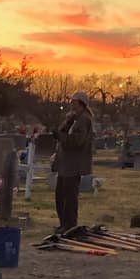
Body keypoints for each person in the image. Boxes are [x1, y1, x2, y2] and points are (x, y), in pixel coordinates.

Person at [51, 90, 94, 233]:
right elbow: (61, 132)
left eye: (74, 102)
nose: (71, 105)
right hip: (65, 163)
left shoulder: (84, 120)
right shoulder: (75, 119)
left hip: (73, 164)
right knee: (60, 196)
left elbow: (77, 141)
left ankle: (69, 225)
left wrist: (61, 136)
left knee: (69, 198)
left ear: (81, 104)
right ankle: (63, 224)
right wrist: (67, 121)